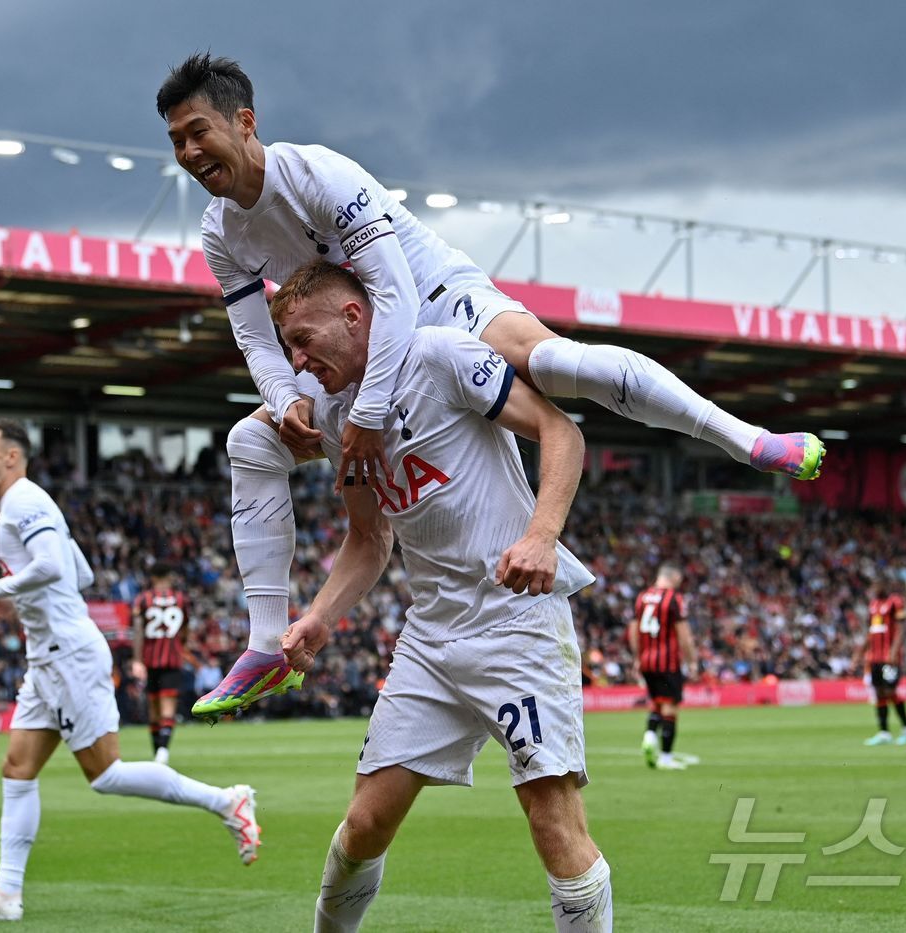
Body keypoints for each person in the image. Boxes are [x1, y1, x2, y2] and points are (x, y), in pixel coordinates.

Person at [154, 52, 827, 719]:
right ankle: (266, 643)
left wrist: (369, 408)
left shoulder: (321, 175)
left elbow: (394, 291)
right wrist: (287, 400)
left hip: (440, 300)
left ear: (244, 122)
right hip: (357, 341)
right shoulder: (221, 233)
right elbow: (253, 336)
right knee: (252, 441)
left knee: (562, 366)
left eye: (198, 132)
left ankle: (749, 439)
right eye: (176, 140)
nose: (188, 151)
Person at [273, 261, 612, 932]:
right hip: (430, 640)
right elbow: (369, 538)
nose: (297, 359)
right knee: (364, 822)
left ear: (354, 317)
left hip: (516, 627)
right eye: (287, 347)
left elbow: (562, 430)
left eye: (303, 339)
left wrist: (543, 535)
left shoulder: (441, 354)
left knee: (553, 823)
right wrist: (317, 616)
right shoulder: (344, 416)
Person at [0, 418, 260, 923]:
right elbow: (80, 572)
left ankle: (226, 800)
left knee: (106, 774)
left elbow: (50, 567)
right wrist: (16, 604)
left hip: (67, 653)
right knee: (17, 769)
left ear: (12, 456)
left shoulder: (22, 501)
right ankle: (6, 891)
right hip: (46, 656)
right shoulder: (25, 505)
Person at [626, 564, 696, 771]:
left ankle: (649, 735)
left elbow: (633, 630)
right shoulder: (674, 598)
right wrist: (692, 661)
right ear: (674, 577)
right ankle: (666, 757)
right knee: (670, 706)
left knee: (657, 703)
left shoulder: (641, 597)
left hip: (647, 660)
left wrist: (637, 657)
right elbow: (684, 635)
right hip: (668, 661)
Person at [129, 563, 188, 764]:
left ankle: (158, 751)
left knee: (153, 709)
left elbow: (138, 631)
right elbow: (185, 630)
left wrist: (137, 660)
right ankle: (162, 751)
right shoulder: (181, 599)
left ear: (152, 578)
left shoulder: (143, 599)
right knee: (168, 708)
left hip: (150, 660)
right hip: (172, 659)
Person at [859, 583, 906, 746]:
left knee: (890, 690)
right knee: (878, 692)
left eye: (877, 586)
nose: (874, 590)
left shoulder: (895, 602)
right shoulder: (873, 606)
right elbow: (872, 632)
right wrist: (861, 653)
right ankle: (884, 732)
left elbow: (901, 629)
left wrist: (893, 651)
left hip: (889, 657)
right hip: (875, 658)